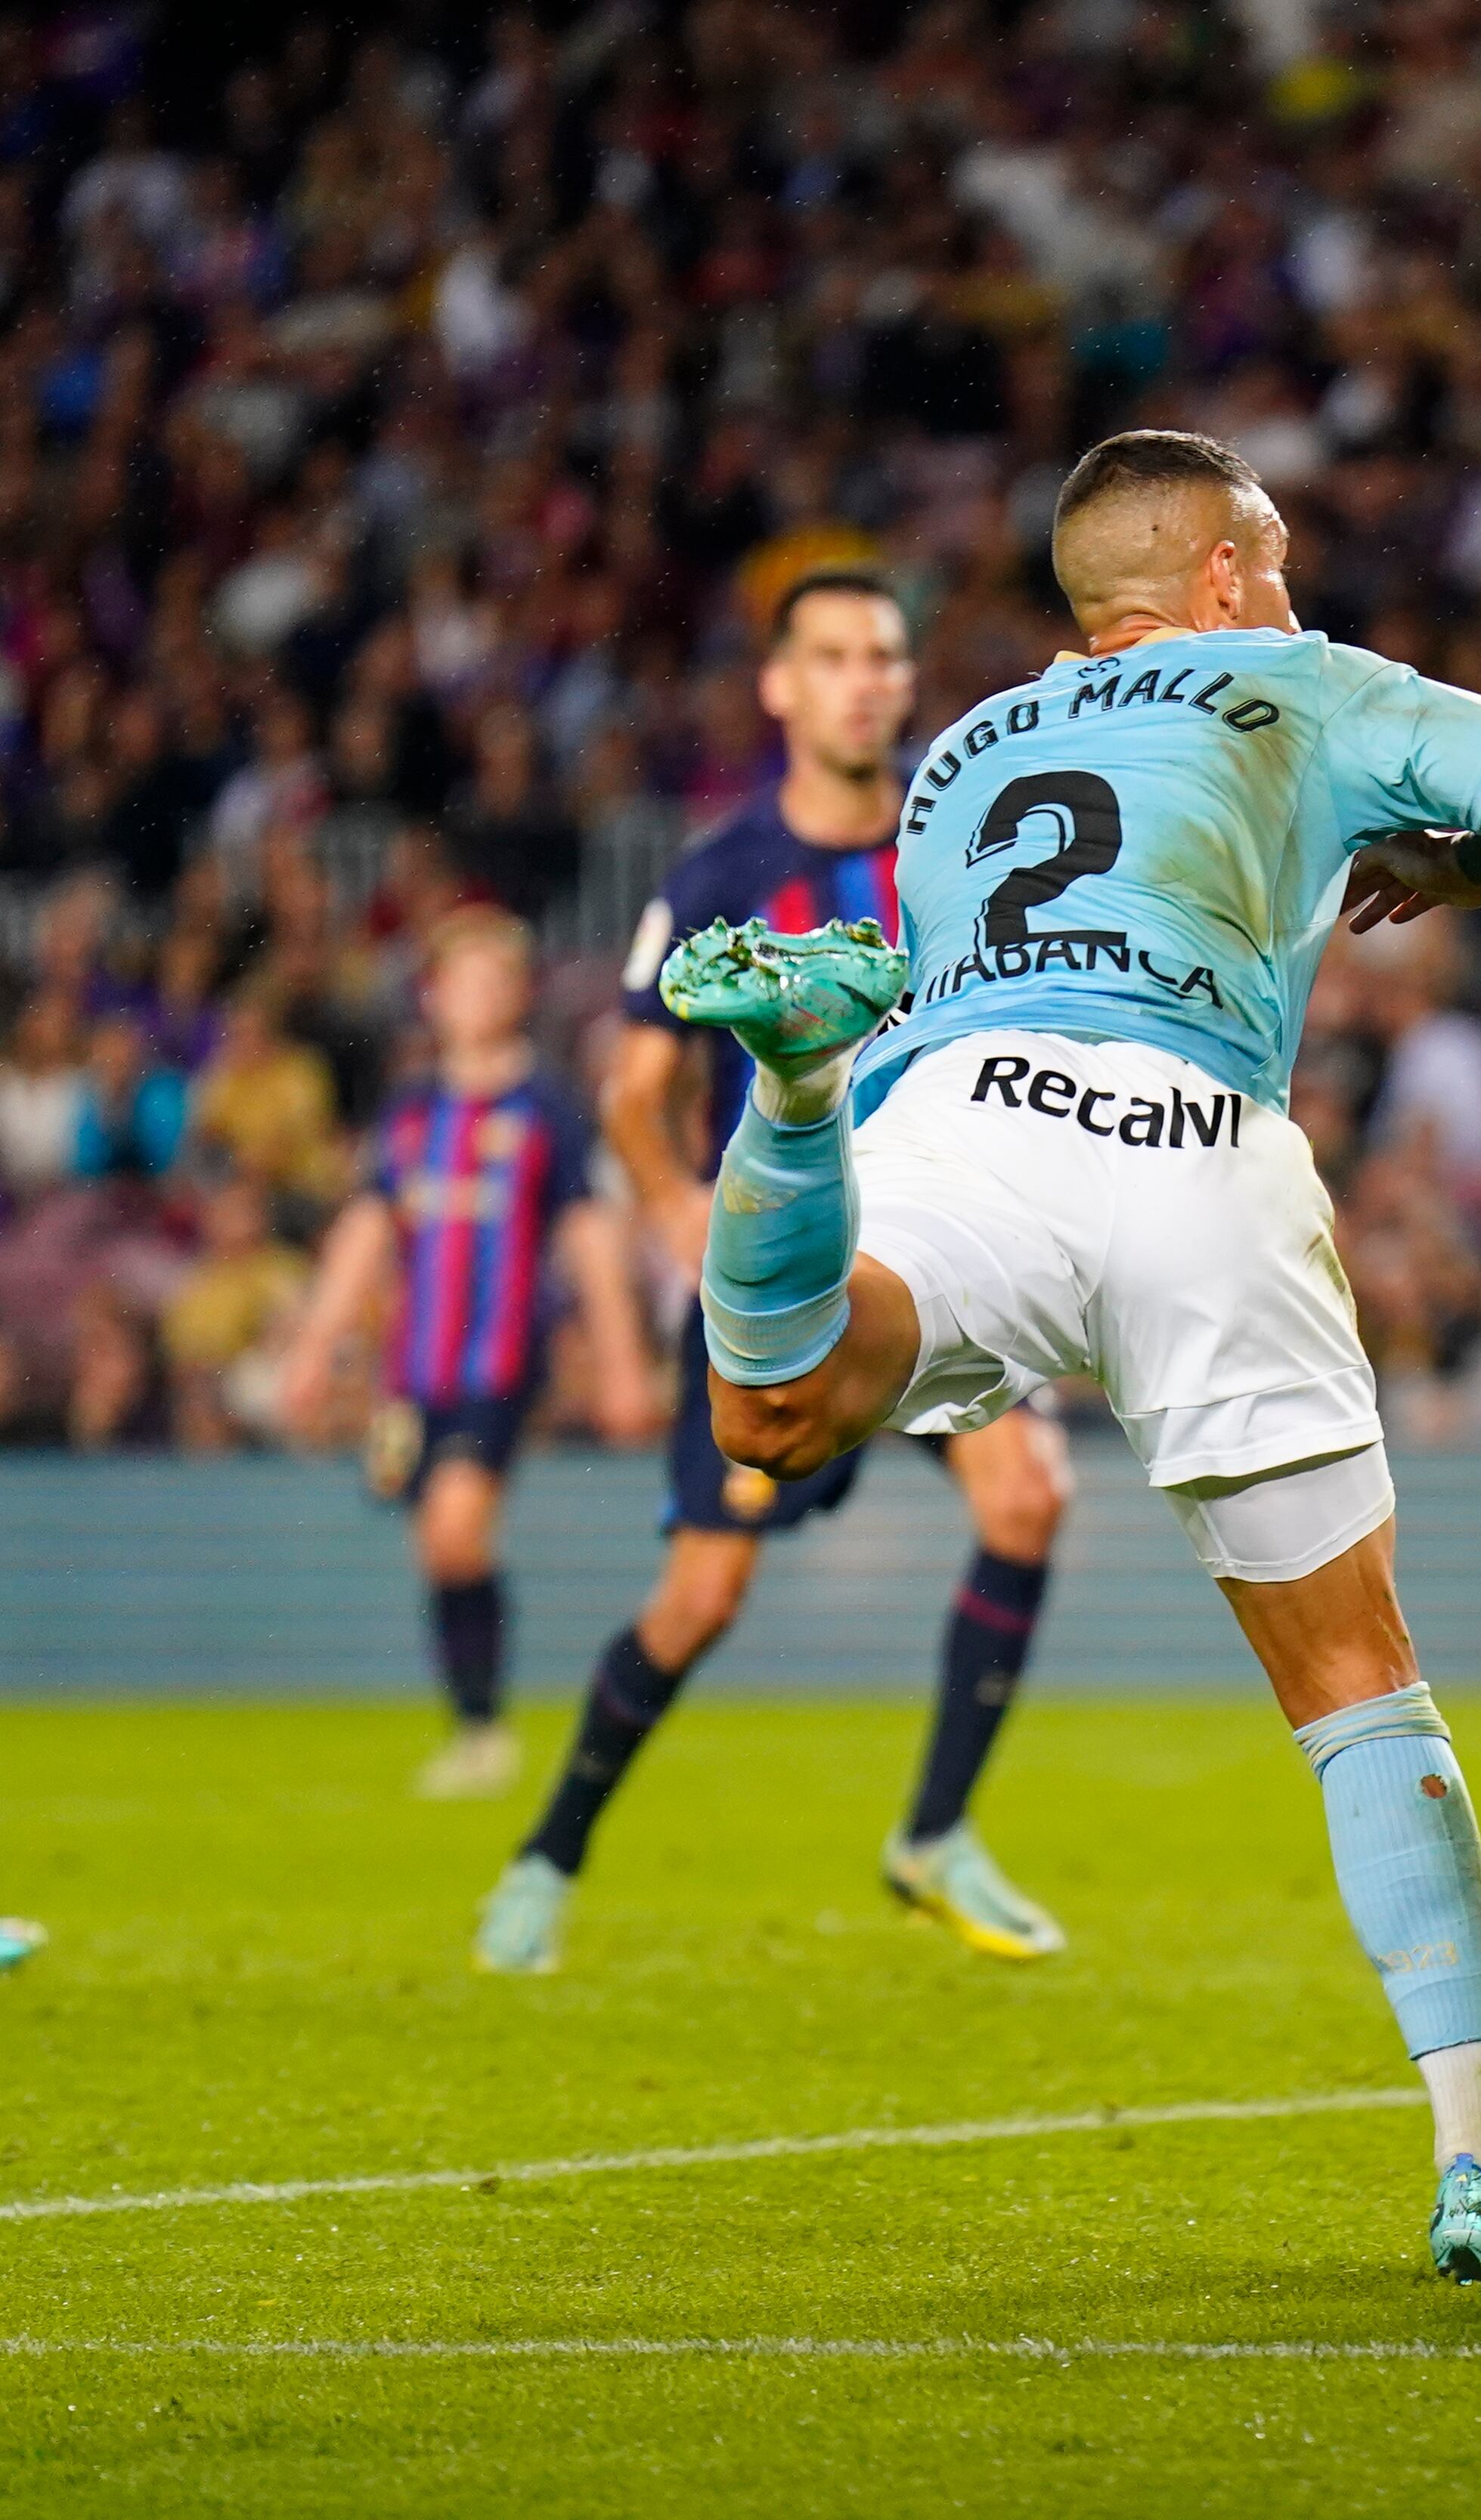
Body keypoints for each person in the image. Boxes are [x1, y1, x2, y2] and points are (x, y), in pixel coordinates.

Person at [651, 430, 1481, 2311]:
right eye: (1270, 562)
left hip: (965, 1114)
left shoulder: (955, 758)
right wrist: (1470, 866)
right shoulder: (1302, 677)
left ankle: (789, 1097)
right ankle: (1476, 2155)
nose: (1286, 592)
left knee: (774, 1407)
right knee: (1354, 1677)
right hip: (1199, 1145)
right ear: (1213, 581)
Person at [476, 570, 1080, 1975]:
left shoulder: (964, 846)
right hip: (789, 1271)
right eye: (835, 655)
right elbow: (633, 1084)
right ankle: (547, 1852)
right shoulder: (724, 874)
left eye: (886, 653)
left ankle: (934, 1831)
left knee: (1031, 1494)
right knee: (701, 1597)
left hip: (937, 1250)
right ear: (781, 686)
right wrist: (686, 1211)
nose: (869, 678)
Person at [282, 909, 649, 1794]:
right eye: (461, 980)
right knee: (438, 1546)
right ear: (434, 996)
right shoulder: (411, 1110)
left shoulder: (547, 1107)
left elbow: (589, 1239)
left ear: (519, 996)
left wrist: (622, 1359)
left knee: (454, 1529)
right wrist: (312, 1349)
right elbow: (368, 1232)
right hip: (414, 1374)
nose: (475, 997)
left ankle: (484, 1733)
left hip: (497, 1364)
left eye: (494, 980)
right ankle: (472, 1722)